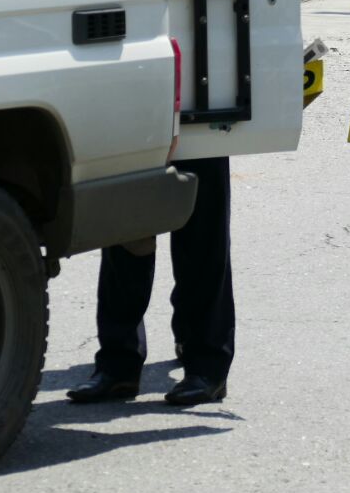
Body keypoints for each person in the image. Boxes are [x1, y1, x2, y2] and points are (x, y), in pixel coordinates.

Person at [67, 157, 234, 407]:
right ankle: (118, 364)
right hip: (137, 121)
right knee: (126, 229)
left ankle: (207, 366)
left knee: (202, 226)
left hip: (199, 121)